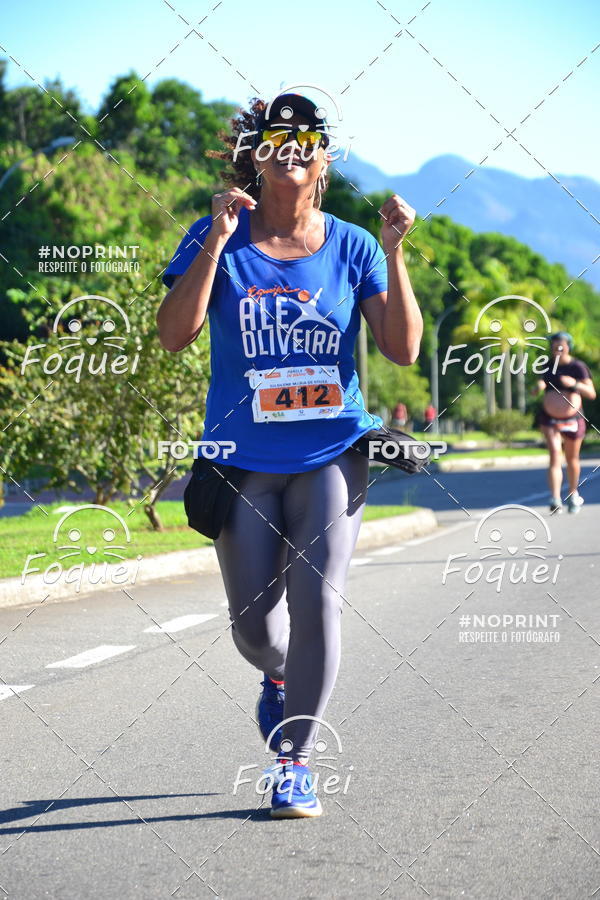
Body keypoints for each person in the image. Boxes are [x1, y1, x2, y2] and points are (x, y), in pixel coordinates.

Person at [157, 92, 422, 817]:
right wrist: (214, 242)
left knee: (319, 605)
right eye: (280, 137)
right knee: (254, 625)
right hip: (243, 458)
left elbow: (402, 347)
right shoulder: (217, 233)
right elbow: (173, 335)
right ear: (259, 154)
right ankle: (278, 680)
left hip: (333, 448)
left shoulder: (353, 245)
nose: (294, 147)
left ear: (324, 158)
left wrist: (395, 255)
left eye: (309, 137)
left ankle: (296, 760)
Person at [533, 331, 596, 513]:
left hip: (573, 419)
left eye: (561, 345)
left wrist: (574, 384)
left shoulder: (578, 367)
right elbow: (541, 383)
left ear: (568, 346)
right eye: (554, 346)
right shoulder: (546, 366)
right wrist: (538, 387)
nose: (557, 349)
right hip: (550, 418)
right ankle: (555, 498)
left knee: (571, 458)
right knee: (554, 454)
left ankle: (572, 494)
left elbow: (591, 393)